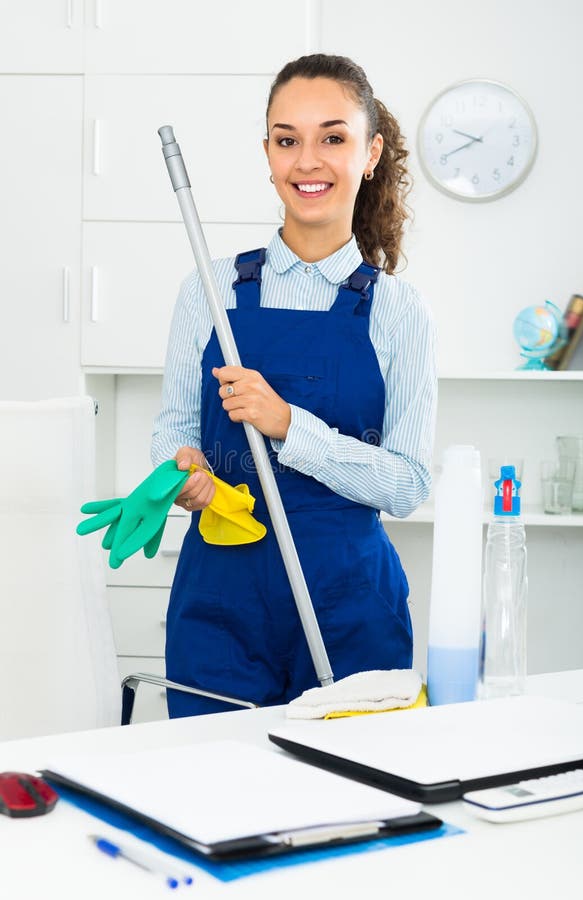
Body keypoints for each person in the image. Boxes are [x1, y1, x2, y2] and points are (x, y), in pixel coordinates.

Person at [151, 53, 437, 718]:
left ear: (370, 153)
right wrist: (181, 476)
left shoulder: (400, 311)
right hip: (220, 601)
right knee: (218, 801)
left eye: (332, 138)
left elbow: (408, 485)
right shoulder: (209, 290)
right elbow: (174, 433)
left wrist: (289, 425)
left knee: (348, 811)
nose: (307, 161)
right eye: (288, 140)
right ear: (269, 154)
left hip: (349, 607)